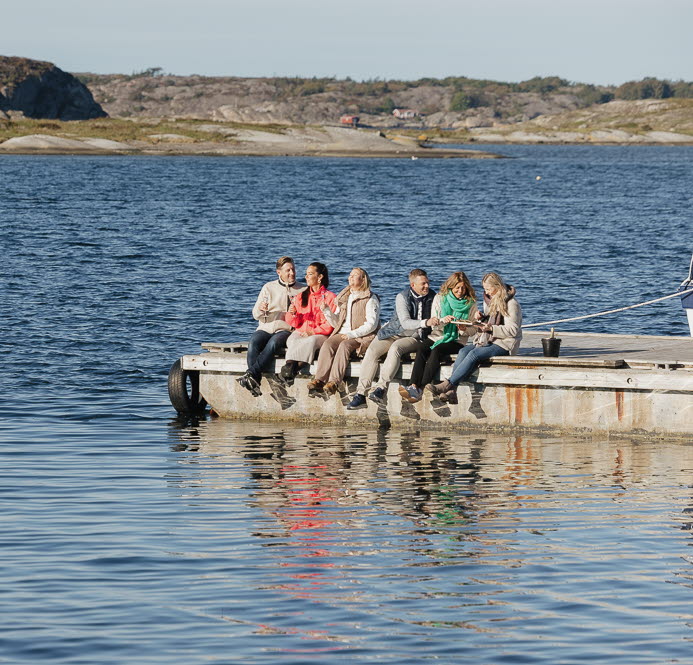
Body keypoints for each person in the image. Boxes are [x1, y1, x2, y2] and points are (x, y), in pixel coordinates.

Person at [347, 268, 438, 410]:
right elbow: (405, 322)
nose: (427, 286)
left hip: (414, 336)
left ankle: (380, 389)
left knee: (396, 348)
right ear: (413, 285)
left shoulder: (434, 297)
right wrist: (426, 322)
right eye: (423, 284)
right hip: (393, 332)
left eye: (427, 283)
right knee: (372, 351)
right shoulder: (402, 297)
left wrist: (428, 325)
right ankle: (360, 394)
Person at [426, 272, 522, 404]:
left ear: (498, 287)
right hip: (488, 339)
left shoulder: (511, 304)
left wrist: (490, 328)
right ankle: (452, 392)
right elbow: (490, 321)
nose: (486, 292)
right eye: (485, 289)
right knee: (463, 351)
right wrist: (481, 318)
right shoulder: (490, 300)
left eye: (488, 289)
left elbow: (513, 330)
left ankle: (448, 384)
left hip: (504, 343)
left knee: (474, 354)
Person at [399, 271, 478, 403]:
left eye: (463, 288)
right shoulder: (440, 298)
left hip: (456, 340)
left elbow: (474, 329)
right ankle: (413, 385)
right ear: (451, 287)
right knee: (422, 349)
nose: (460, 291)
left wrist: (463, 329)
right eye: (457, 288)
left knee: (437, 351)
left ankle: (422, 387)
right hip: (437, 335)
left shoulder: (471, 303)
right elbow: (434, 324)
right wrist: (443, 321)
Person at [238, 256, 305, 396]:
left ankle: (251, 375)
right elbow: (255, 314)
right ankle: (254, 381)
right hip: (266, 327)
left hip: (285, 329)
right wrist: (261, 309)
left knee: (274, 343)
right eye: (288, 270)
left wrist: (296, 313)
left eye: (293, 269)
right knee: (254, 342)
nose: (292, 273)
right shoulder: (268, 287)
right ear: (278, 272)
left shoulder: (302, 289)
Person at [307, 267, 380, 396]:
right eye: (350, 275)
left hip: (361, 336)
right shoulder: (346, 297)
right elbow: (337, 323)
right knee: (328, 344)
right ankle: (319, 379)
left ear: (363, 280)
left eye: (355, 275)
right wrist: (327, 311)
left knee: (344, 346)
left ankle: (334, 382)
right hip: (344, 333)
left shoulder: (371, 298)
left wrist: (351, 334)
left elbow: (372, 325)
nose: (350, 277)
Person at [280, 262, 337, 384]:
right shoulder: (301, 296)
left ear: (320, 277)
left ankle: (290, 371)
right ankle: (290, 369)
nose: (306, 277)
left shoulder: (330, 297)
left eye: (310, 274)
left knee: (311, 341)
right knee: (291, 339)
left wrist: (312, 332)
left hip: (321, 334)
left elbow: (330, 325)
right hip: (302, 331)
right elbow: (294, 324)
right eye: (306, 274)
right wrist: (293, 314)